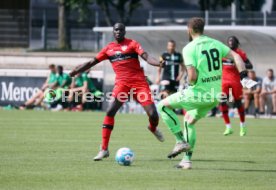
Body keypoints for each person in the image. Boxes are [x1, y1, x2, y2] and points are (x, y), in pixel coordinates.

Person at [157, 17, 256, 169]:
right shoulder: (215, 43)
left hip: (199, 94)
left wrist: (191, 83)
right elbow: (237, 56)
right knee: (188, 120)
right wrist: (243, 76)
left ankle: (180, 141)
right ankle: (186, 161)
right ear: (203, 29)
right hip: (215, 96)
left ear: (189, 30)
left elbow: (192, 76)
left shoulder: (189, 48)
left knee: (162, 106)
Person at [69, 23, 165, 161]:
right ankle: (104, 149)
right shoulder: (109, 48)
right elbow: (92, 62)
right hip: (122, 84)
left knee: (153, 115)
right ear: (113, 32)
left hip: (139, 83)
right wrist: (77, 70)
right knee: (110, 111)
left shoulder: (132, 44)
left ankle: (153, 128)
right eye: (116, 30)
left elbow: (146, 57)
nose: (118, 32)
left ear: (124, 31)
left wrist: (158, 63)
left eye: (121, 30)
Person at [220, 36, 253, 136]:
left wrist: (239, 63)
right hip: (224, 81)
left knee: (238, 103)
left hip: (236, 82)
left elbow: (250, 66)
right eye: (229, 40)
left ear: (236, 43)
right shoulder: (223, 53)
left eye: (232, 41)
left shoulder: (241, 54)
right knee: (222, 102)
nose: (230, 42)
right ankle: (228, 127)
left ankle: (242, 127)